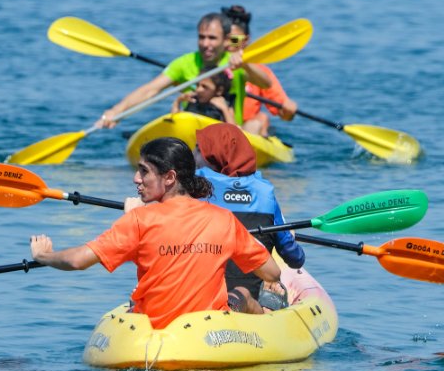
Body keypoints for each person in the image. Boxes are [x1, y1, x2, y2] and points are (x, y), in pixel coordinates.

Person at [29, 137, 282, 329]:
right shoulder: (224, 219)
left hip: (154, 334)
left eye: (143, 171)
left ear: (170, 177)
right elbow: (272, 272)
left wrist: (44, 256)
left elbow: (77, 260)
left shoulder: (139, 220)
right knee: (245, 296)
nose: (135, 179)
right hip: (207, 334)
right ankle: (271, 314)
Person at [193, 123, 305, 311]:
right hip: (250, 300)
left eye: (198, 150)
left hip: (201, 297)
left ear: (214, 157)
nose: (193, 156)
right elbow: (295, 259)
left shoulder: (195, 185)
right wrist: (290, 238)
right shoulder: (265, 192)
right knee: (275, 290)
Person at [95, 12, 271, 129]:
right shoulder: (184, 63)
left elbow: (266, 83)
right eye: (201, 37)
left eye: (212, 38)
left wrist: (245, 64)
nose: (205, 44)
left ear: (226, 40)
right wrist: (115, 112)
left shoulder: (236, 61)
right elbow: (150, 90)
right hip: (192, 129)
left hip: (229, 131)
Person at [222, 5, 298, 137]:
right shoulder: (207, 67)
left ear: (245, 41)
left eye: (233, 40)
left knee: (261, 119)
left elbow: (284, 115)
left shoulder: (260, 73)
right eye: (223, 38)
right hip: (216, 122)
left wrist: (288, 110)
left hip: (247, 130)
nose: (227, 44)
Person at [170, 66, 235, 124]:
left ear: (219, 91)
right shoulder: (194, 100)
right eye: (197, 85)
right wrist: (178, 101)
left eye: (205, 87)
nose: (198, 90)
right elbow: (174, 121)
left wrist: (225, 109)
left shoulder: (225, 104)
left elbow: (235, 131)